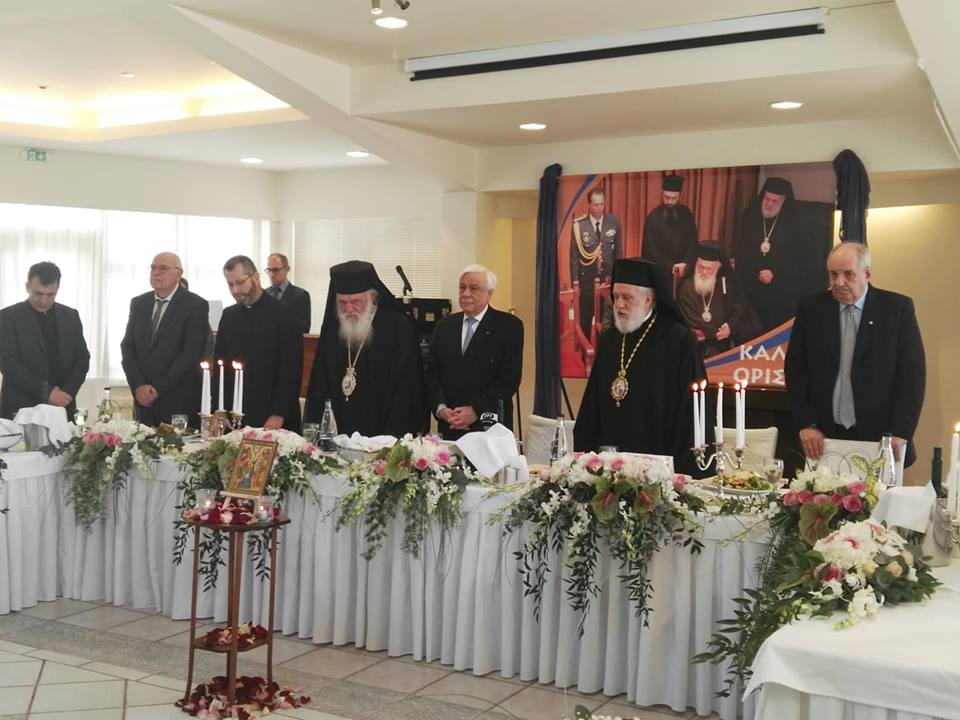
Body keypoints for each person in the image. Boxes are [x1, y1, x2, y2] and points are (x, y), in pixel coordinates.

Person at [785, 242, 925, 467]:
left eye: (848, 274)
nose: (839, 282)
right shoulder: (811, 309)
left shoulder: (896, 309)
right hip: (823, 437)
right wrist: (807, 423)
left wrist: (901, 431)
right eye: (833, 274)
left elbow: (912, 376)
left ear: (867, 273)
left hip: (881, 438)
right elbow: (796, 369)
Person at [574, 258, 704, 471]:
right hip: (608, 467)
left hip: (658, 467)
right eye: (616, 296)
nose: (619, 304)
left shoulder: (678, 340)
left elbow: (688, 412)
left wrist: (680, 472)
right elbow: (591, 407)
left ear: (649, 299)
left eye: (627, 297)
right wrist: (585, 464)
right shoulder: (610, 340)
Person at [303, 260, 425, 437]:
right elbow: (319, 384)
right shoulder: (332, 329)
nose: (348, 309)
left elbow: (406, 389)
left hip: (382, 433)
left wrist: (391, 440)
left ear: (372, 298)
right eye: (342, 302)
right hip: (338, 433)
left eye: (355, 301)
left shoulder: (397, 327)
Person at [425, 264, 523, 440]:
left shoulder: (508, 326)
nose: (465, 293)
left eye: (473, 288)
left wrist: (476, 409)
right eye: (462, 287)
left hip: (489, 426)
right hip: (450, 424)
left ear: (489, 293)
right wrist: (441, 408)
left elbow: (509, 379)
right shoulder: (444, 326)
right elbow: (432, 373)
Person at [120, 252, 210, 428]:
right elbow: (128, 347)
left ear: (178, 273)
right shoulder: (139, 303)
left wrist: (156, 389)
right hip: (143, 402)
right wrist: (138, 386)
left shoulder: (195, 305)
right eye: (153, 268)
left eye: (163, 269)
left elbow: (190, 354)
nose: (156, 273)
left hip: (177, 400)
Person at [214, 255, 303, 431]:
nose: (235, 290)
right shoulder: (229, 315)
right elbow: (220, 367)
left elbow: (291, 369)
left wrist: (278, 414)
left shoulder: (284, 313)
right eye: (230, 284)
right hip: (235, 414)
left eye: (240, 283)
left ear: (255, 277)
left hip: (273, 414)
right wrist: (219, 408)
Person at [0, 261, 90, 420]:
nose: (43, 300)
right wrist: (48, 393)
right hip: (21, 407)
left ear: (58, 289)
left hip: (63, 406)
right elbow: (8, 363)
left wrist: (66, 394)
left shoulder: (71, 316)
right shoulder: (7, 317)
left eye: (50, 295)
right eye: (38, 293)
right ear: (27, 287)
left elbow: (82, 358)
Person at [734, 176, 825, 333]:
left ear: (783, 202)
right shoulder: (750, 218)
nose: (769, 204)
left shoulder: (796, 225)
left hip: (780, 290)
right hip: (751, 284)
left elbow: (799, 261)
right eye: (767, 199)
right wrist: (756, 271)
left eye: (775, 201)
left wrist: (775, 274)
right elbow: (742, 251)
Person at [676, 241, 761, 357]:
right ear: (696, 264)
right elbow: (691, 319)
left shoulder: (727, 283)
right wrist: (717, 332)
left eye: (709, 269)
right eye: (701, 267)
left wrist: (730, 326)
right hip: (699, 343)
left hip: (726, 339)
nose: (704, 272)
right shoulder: (687, 287)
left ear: (717, 269)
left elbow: (739, 305)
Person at [570, 187, 622, 338]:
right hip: (587, 281)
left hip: (607, 280)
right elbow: (574, 257)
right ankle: (585, 349)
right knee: (585, 322)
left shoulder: (614, 221)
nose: (599, 208)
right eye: (595, 204)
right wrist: (575, 282)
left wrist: (618, 278)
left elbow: (618, 253)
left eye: (601, 204)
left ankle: (602, 350)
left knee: (605, 322)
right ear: (589, 204)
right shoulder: (579, 226)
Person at [641, 174, 699, 278]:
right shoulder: (653, 217)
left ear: (680, 196)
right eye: (667, 197)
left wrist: (685, 263)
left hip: (683, 272)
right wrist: (670, 265)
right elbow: (649, 249)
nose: (670, 202)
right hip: (659, 271)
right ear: (662, 194)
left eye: (674, 198)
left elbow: (692, 242)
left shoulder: (687, 214)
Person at [265, 253, 312, 334]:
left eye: (276, 270)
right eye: (269, 270)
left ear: (287, 269)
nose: (272, 274)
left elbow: (304, 327)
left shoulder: (301, 295)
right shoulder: (264, 294)